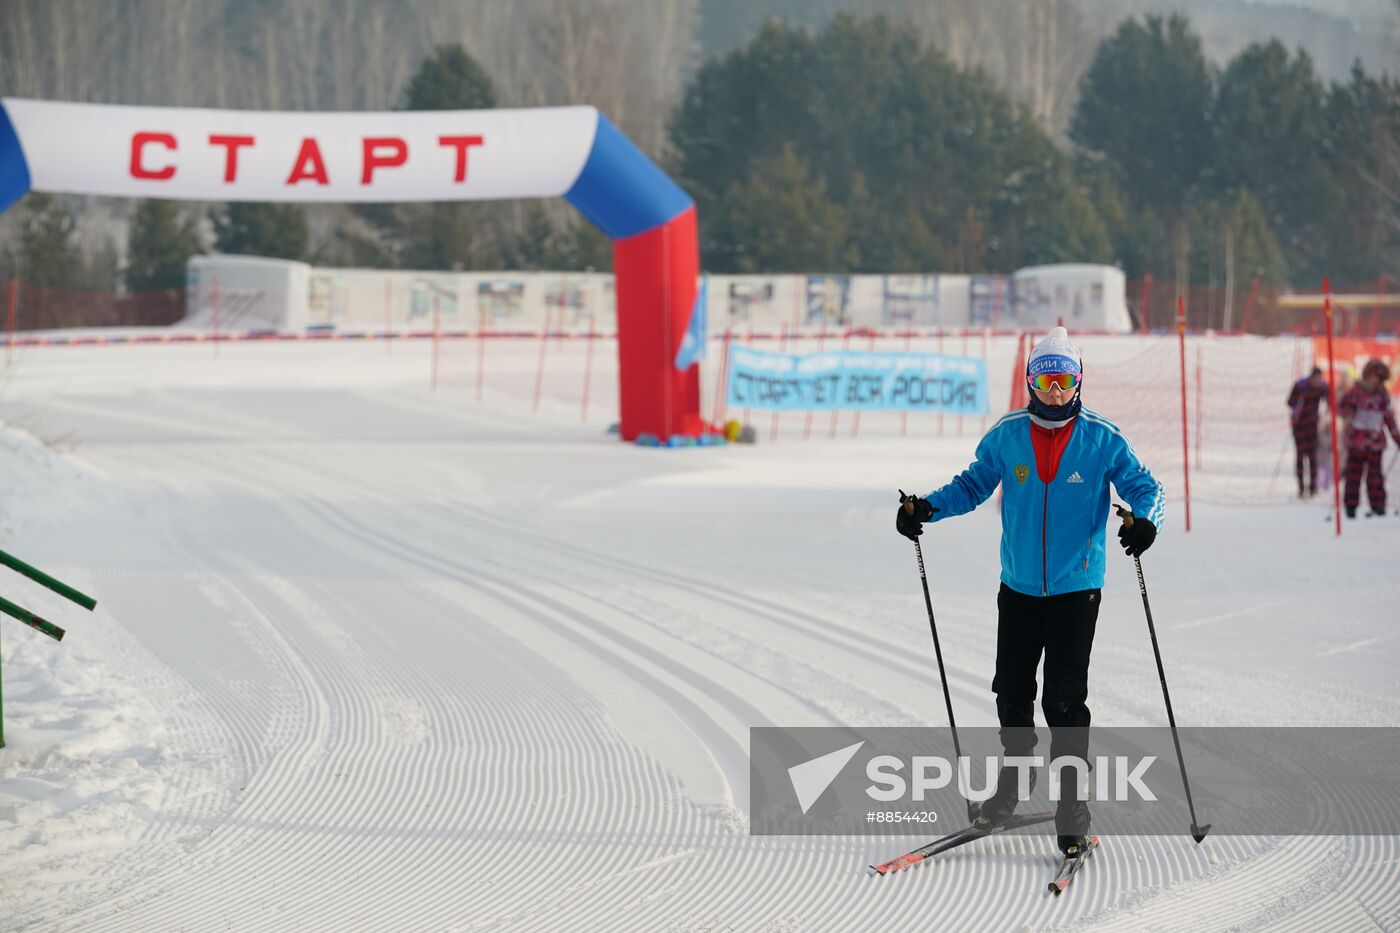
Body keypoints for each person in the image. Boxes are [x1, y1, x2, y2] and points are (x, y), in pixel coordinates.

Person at [896, 326, 1165, 859]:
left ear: (1079, 381)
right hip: (1017, 586)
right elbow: (973, 485)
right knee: (1012, 694)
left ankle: (1073, 808)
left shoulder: (1102, 438)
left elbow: (1144, 486)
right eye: (1046, 380)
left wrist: (1145, 522)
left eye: (1065, 380)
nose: (1055, 391)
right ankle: (1011, 790)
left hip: (1076, 588)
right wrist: (927, 508)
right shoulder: (1009, 434)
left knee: (1064, 701)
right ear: (1030, 381)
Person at [1337, 359, 1400, 518]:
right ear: (1368, 375)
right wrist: (1349, 414)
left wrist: (1396, 437)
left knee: (1375, 477)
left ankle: (1378, 506)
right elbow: (1341, 408)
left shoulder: (1382, 395)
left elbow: (1388, 417)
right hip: (1356, 443)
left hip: (1375, 444)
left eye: (1381, 380)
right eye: (1376, 378)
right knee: (1353, 476)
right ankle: (1350, 507)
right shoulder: (1354, 392)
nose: (1378, 382)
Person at [1287, 367, 1328, 498]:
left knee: (1312, 457)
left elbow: (1329, 400)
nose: (1316, 382)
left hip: (1313, 426)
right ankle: (1301, 487)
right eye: (1315, 379)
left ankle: (1313, 487)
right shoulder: (1300, 386)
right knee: (1300, 456)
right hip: (1299, 426)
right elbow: (1290, 402)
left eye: (1318, 379)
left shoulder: (1322, 387)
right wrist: (1297, 406)